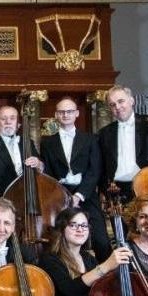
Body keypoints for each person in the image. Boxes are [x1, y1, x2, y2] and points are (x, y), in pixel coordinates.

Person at [38, 98, 110, 259]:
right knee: (57, 238)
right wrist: (62, 195)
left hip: (86, 194)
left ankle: (107, 277)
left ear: (76, 113)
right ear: (56, 115)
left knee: (101, 241)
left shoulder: (90, 139)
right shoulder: (47, 142)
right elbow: (48, 173)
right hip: (60, 196)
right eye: (61, 112)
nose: (65, 115)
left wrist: (79, 195)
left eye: (69, 111)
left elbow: (95, 170)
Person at [0, 105, 44, 199]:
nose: (8, 122)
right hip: (4, 199)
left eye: (12, 118)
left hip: (30, 197)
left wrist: (39, 164)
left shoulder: (27, 142)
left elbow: (41, 168)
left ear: (18, 123)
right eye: (3, 119)